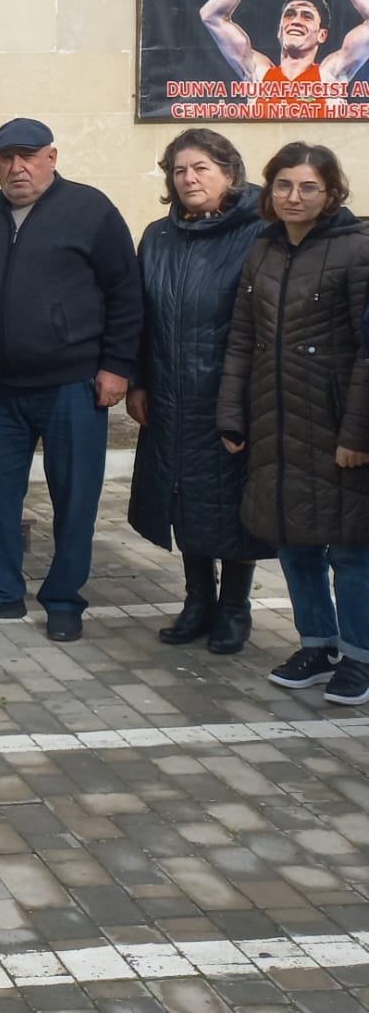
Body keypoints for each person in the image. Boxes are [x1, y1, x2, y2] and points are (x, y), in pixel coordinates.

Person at [0, 119, 142, 642]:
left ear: (51, 157)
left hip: (73, 385)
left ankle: (63, 599)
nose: (17, 167)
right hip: (1, 387)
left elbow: (125, 293)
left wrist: (117, 366)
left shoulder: (90, 210)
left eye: (28, 156)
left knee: (74, 497)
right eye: (7, 157)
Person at [216, 143, 369, 705]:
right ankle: (318, 644)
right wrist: (232, 411)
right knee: (293, 539)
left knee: (351, 548)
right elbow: (241, 339)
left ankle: (359, 656)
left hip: (336, 428)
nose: (294, 197)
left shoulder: (359, 250)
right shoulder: (263, 251)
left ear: (331, 192)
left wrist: (358, 434)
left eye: (308, 187)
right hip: (275, 422)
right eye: (283, 185)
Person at [127, 129, 269, 654]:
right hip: (168, 394)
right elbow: (140, 319)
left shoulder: (260, 234)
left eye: (201, 168)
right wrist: (138, 380)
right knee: (182, 496)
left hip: (231, 394)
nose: (189, 178)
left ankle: (234, 607)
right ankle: (196, 601)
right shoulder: (158, 236)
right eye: (180, 170)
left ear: (230, 173)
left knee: (233, 504)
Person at [200, 0, 369, 119]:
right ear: (279, 30)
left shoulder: (331, 75)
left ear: (322, 35)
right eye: (289, 14)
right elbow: (210, 15)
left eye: (307, 16)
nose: (296, 21)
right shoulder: (258, 75)